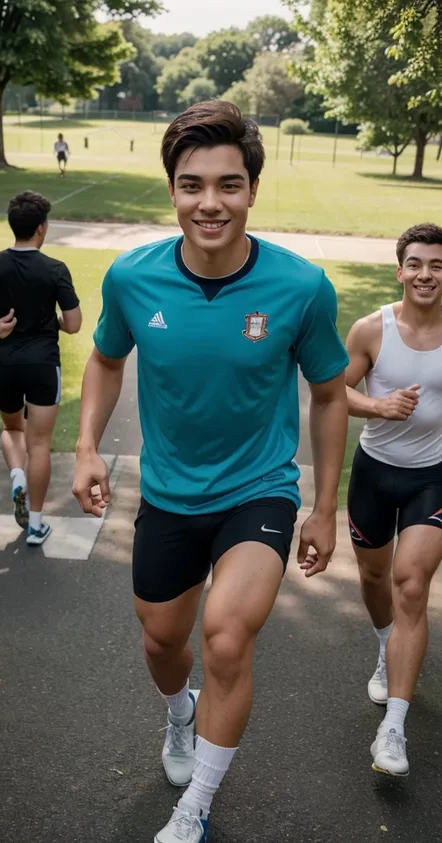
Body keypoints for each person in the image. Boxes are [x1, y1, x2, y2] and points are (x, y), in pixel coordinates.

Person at [73, 101, 349, 843]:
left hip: (259, 488)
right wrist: (87, 445)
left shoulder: (301, 287)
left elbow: (329, 395)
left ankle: (193, 805)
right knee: (164, 640)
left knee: (227, 637)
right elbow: (104, 358)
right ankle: (179, 714)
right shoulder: (132, 278)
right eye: (192, 185)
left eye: (229, 184)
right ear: (172, 191)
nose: (210, 202)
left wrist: (324, 506)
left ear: (252, 190)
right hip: (167, 493)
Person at [345, 222, 442, 777]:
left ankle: (394, 729)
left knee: (411, 583)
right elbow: (334, 392)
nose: (426, 274)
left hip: (435, 476)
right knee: (376, 580)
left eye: (437, 265)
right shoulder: (372, 329)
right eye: (417, 264)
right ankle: (387, 646)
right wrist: (381, 407)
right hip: (376, 474)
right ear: (400, 269)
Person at [0, 191, 82, 546]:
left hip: (4, 364)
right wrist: (54, 321)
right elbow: (74, 323)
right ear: (42, 229)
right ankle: (35, 524)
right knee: (40, 444)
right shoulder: (55, 269)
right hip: (43, 366)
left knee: (11, 428)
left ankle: (16, 475)